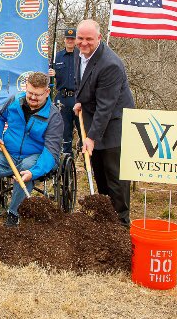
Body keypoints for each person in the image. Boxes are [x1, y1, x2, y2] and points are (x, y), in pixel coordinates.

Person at [73, 19, 134, 226]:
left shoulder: (110, 65)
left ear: (99, 38)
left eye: (89, 39)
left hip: (114, 125)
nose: (83, 43)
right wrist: (80, 101)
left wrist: (91, 137)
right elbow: (83, 84)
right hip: (94, 120)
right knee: (99, 172)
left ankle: (121, 223)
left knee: (115, 178)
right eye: (80, 38)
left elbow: (106, 106)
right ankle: (106, 219)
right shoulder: (78, 53)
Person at [0, 72, 63, 227]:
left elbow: (51, 151)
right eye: (30, 93)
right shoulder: (14, 101)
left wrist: (34, 172)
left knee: (26, 169)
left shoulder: (54, 116)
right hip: (9, 153)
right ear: (26, 87)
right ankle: (18, 175)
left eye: (38, 95)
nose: (33, 98)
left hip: (35, 155)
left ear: (47, 92)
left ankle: (13, 214)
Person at [48, 28, 80, 154]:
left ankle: (85, 160)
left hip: (78, 98)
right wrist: (52, 74)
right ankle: (66, 159)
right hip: (63, 99)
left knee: (83, 129)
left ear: (76, 40)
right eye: (68, 38)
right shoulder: (58, 56)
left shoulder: (81, 56)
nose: (70, 41)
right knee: (64, 131)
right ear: (64, 40)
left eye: (72, 39)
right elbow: (51, 76)